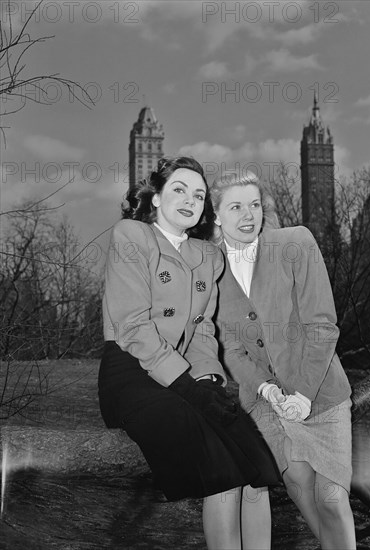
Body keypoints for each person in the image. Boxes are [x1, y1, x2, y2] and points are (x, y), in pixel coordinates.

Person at [98, 157, 279, 550]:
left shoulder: (208, 256)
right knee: (223, 469)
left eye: (198, 195)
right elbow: (133, 327)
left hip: (186, 378)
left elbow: (201, 330)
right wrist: (188, 386)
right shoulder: (131, 236)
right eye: (179, 189)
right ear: (157, 197)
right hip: (132, 376)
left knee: (257, 468)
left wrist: (209, 378)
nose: (190, 200)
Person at [210, 170, 357, 550]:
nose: (248, 215)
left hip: (321, 391)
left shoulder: (295, 243)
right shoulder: (208, 271)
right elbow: (230, 348)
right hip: (264, 403)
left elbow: (322, 325)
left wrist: (303, 394)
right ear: (216, 215)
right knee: (298, 486)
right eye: (236, 206)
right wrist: (265, 387)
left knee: (332, 497)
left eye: (255, 205)